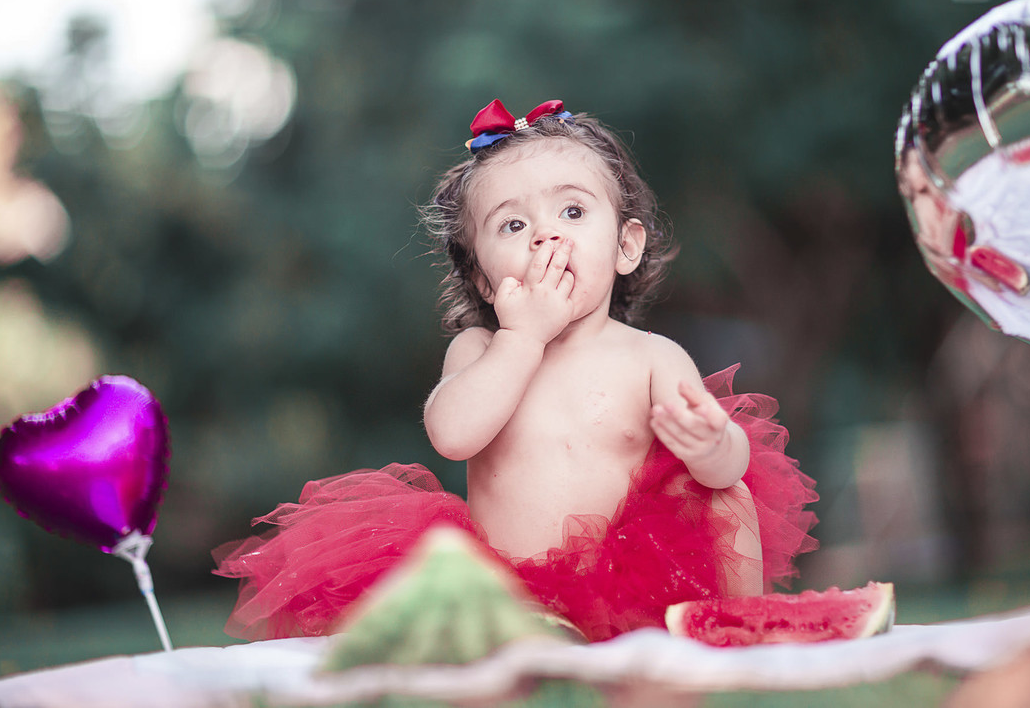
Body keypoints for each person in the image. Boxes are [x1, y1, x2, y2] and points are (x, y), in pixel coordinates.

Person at [213, 99, 818, 642]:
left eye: (574, 211)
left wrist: (714, 444)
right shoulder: (481, 349)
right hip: (504, 593)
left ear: (625, 247)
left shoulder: (650, 356)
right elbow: (452, 435)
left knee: (726, 494)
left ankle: (744, 634)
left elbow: (728, 467)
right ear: (482, 275)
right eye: (513, 224)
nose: (545, 235)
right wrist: (523, 338)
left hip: (632, 581)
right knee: (434, 578)